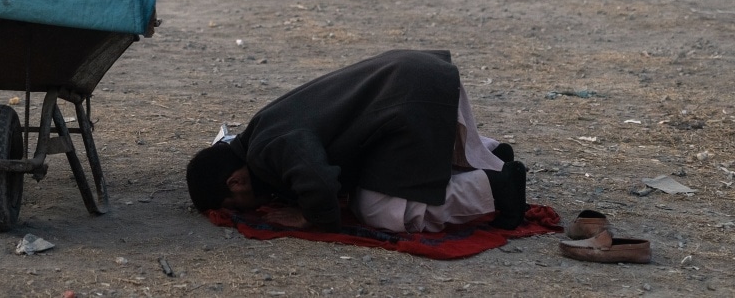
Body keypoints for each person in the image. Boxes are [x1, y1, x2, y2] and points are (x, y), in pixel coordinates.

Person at [186, 50, 528, 233]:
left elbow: (319, 180)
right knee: (388, 179)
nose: (246, 211)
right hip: (418, 81)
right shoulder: (258, 131)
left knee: (378, 208)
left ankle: (496, 184)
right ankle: (489, 154)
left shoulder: (266, 149)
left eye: (234, 205)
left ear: (236, 181)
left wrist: (312, 217)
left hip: (413, 98)